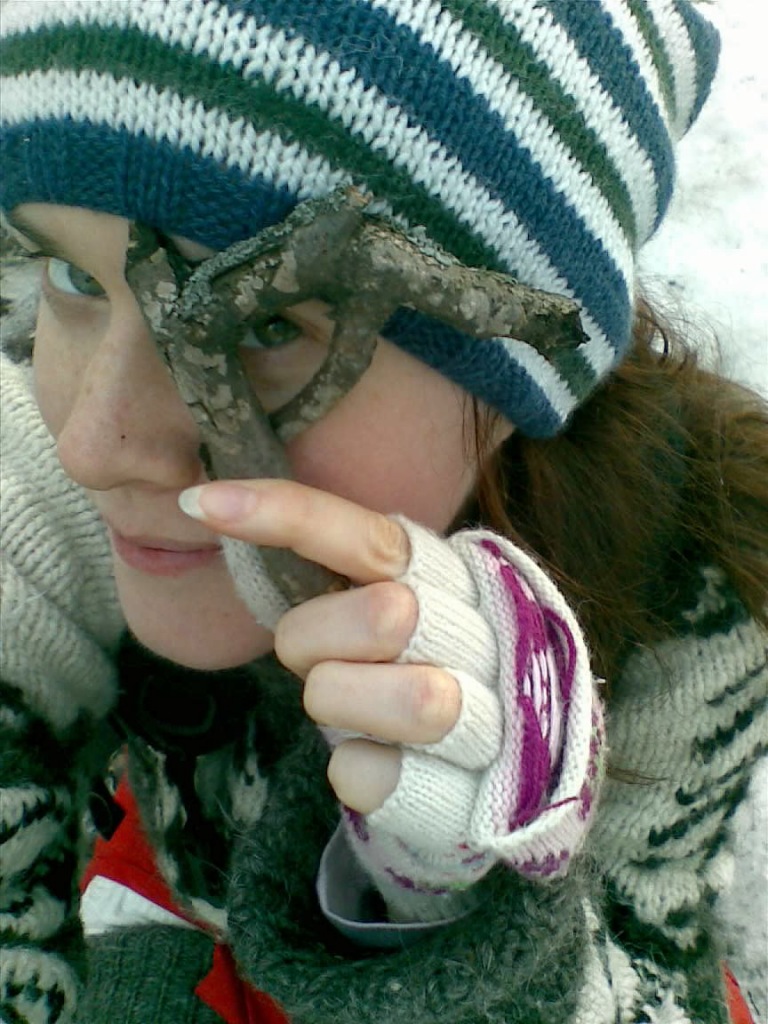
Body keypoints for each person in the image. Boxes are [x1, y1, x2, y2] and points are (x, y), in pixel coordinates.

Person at [0, 2, 765, 1022]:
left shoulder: (691, 581)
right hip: (187, 906)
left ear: (514, 380)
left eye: (270, 325)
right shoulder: (49, 484)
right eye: (72, 277)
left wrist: (466, 915)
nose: (92, 446)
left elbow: (656, 976)